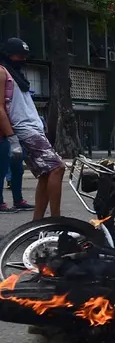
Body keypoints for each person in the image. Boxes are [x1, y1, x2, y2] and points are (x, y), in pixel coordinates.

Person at [0, 37, 62, 219]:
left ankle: (38, 223)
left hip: (33, 128)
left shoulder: (16, 74)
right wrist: (12, 139)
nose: (23, 59)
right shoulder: (2, 72)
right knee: (58, 168)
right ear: (8, 54)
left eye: (25, 56)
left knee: (45, 174)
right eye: (19, 55)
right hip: (24, 129)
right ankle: (56, 220)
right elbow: (0, 108)